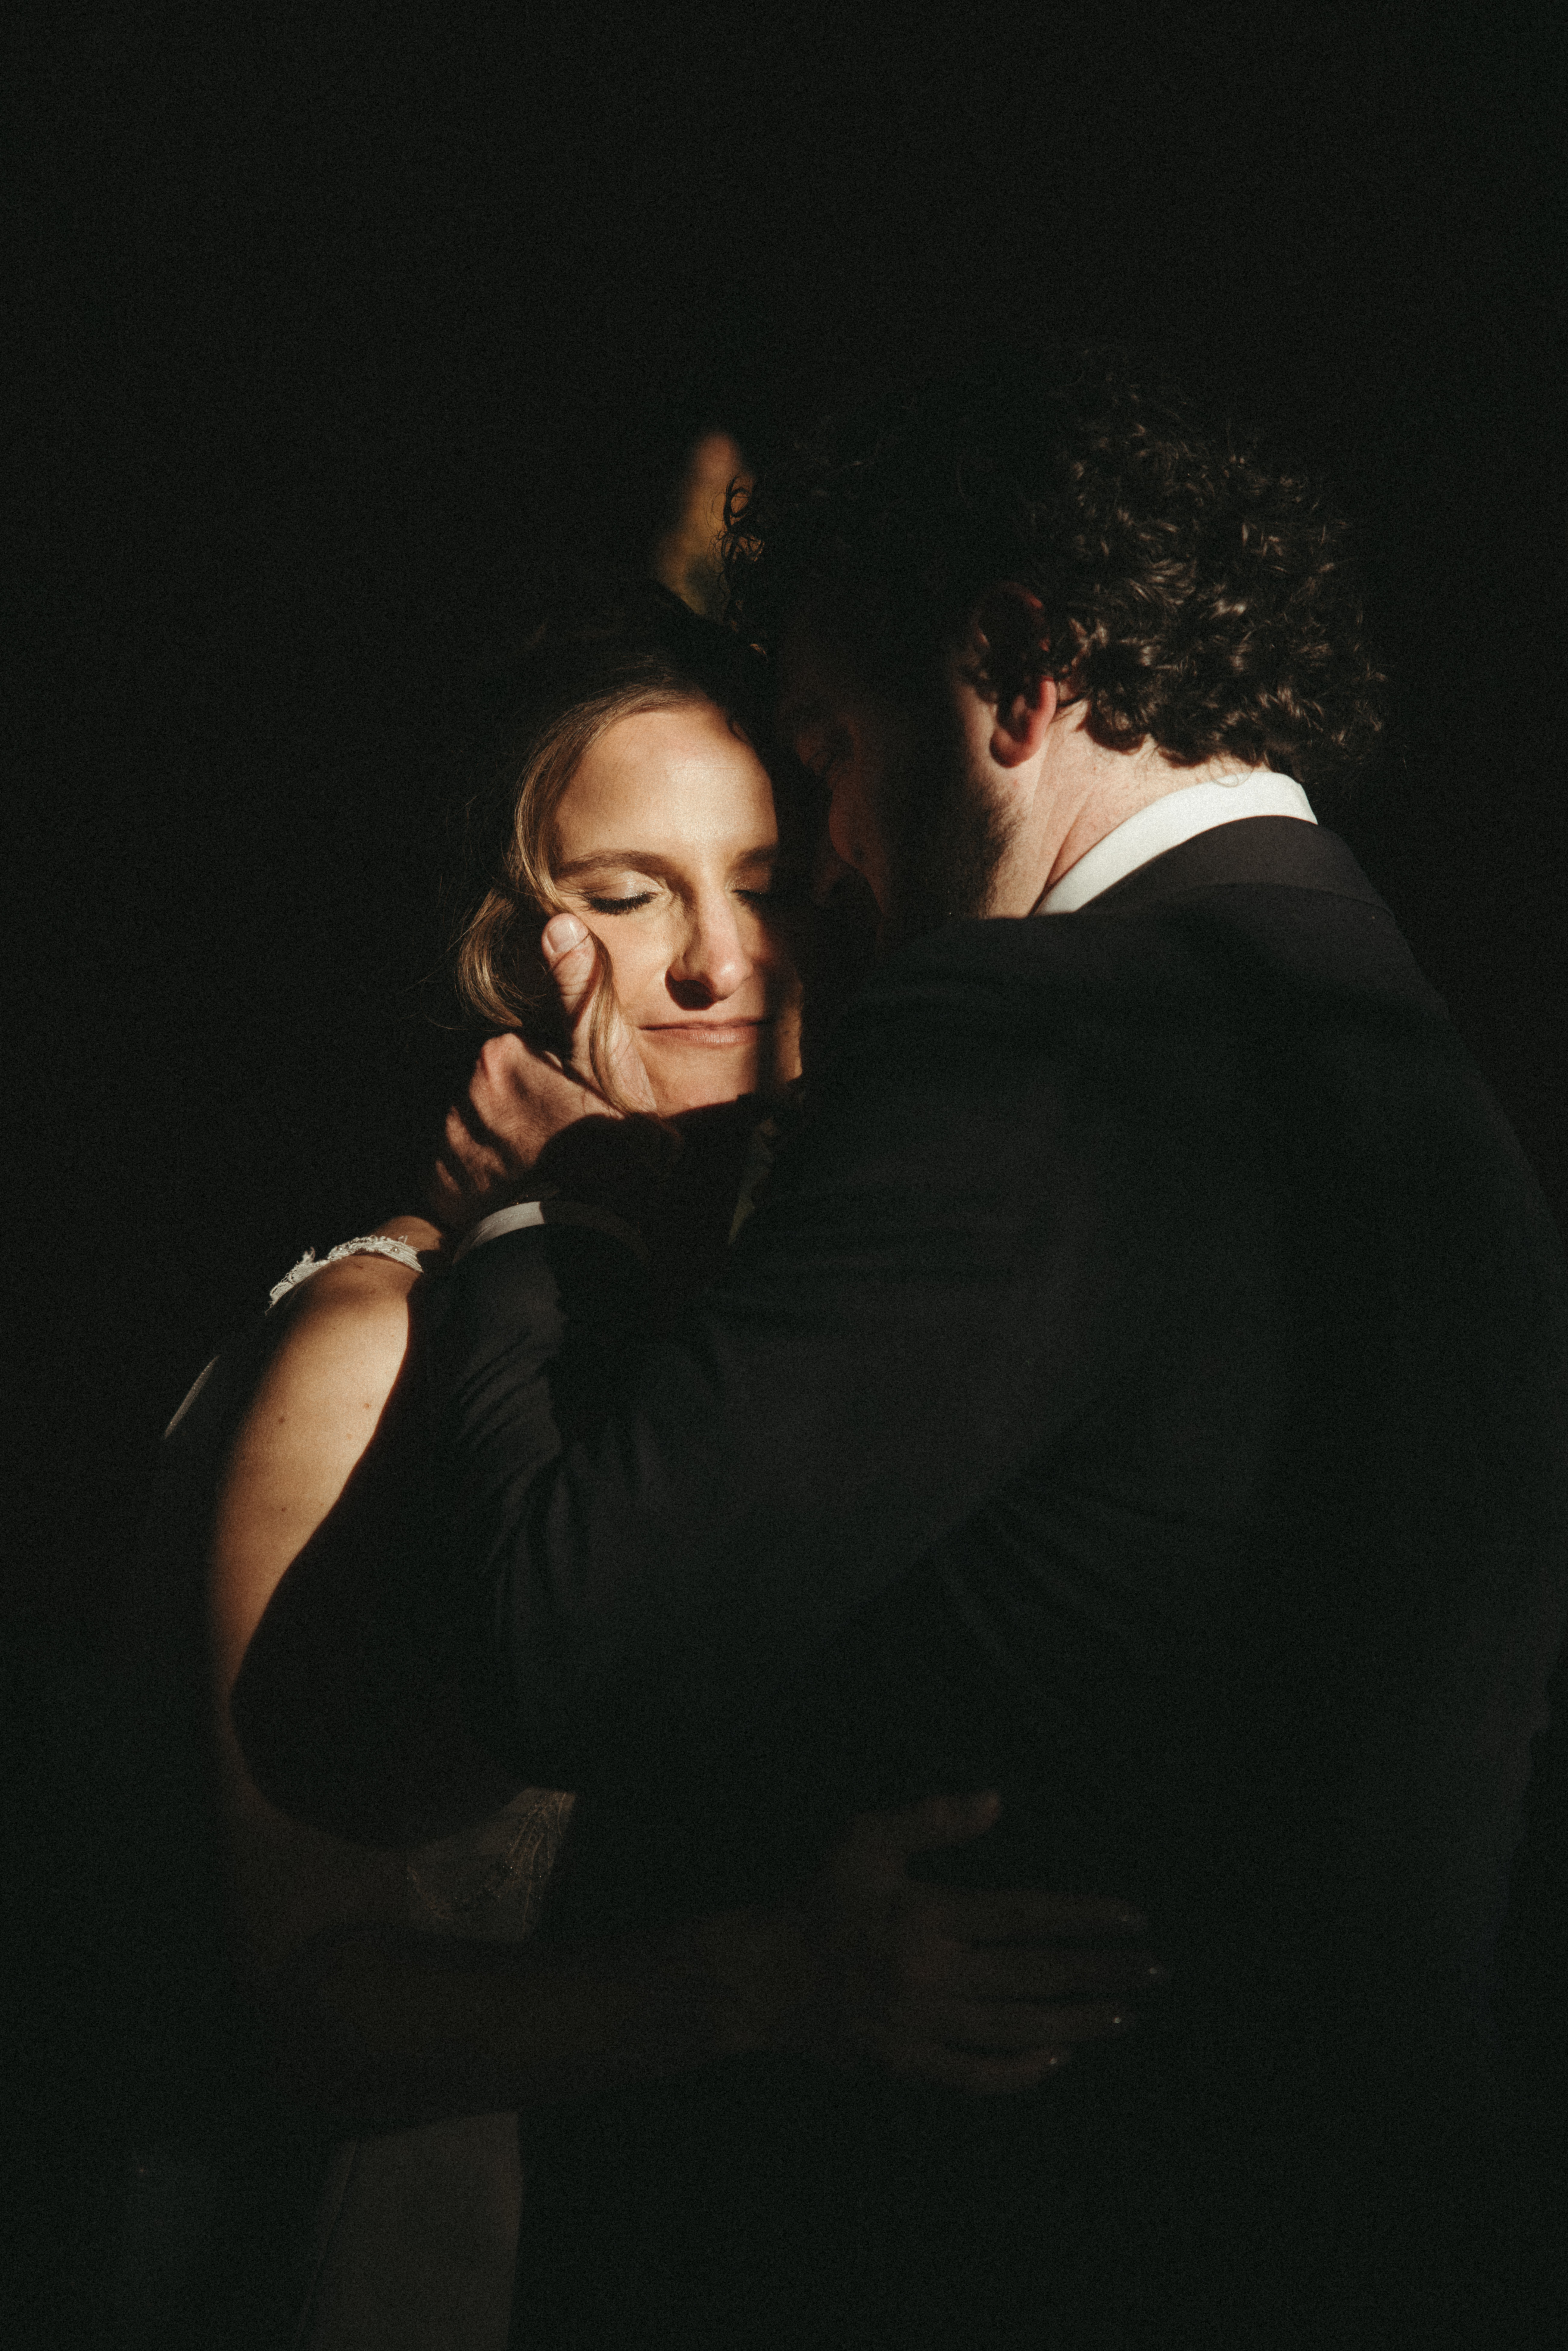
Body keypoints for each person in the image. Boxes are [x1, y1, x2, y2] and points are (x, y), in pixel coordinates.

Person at [326, 360, 1568, 2346]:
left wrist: (548, 1216)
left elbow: (562, 1648)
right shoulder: (1394, 1039)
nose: (833, 854)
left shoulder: (1043, 1037)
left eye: (825, 747)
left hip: (1063, 2248)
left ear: (1008, 675)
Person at [116, 581, 1158, 2351]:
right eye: (626, 894)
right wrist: (775, 1978)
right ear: (514, 944)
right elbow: (299, 2006)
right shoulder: (371, 1347)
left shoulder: (779, 1311)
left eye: (764, 883)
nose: (715, 963)